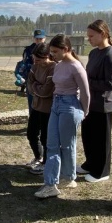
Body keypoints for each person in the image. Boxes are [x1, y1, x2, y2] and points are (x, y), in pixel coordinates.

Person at [35, 35, 90, 199]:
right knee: (52, 145)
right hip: (56, 104)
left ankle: (67, 178)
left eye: (55, 51)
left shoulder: (76, 67)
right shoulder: (58, 65)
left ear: (66, 49)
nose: (52, 55)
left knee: (67, 145)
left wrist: (83, 112)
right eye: (51, 51)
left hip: (70, 106)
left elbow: (86, 93)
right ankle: (51, 183)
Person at [78, 20, 112, 183]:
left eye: (91, 36)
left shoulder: (111, 54)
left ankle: (102, 172)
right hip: (90, 103)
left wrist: (87, 82)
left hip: (103, 105)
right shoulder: (94, 53)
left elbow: (110, 83)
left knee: (101, 140)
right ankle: (90, 164)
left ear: (103, 34)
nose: (88, 39)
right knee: (88, 136)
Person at [25, 43, 56, 174]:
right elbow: (29, 84)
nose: (36, 62)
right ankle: (38, 157)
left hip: (48, 109)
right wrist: (37, 87)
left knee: (45, 137)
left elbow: (46, 91)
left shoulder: (53, 68)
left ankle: (46, 163)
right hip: (36, 106)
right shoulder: (34, 66)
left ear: (47, 56)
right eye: (34, 59)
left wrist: (35, 86)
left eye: (39, 60)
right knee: (31, 134)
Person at [15, 29, 46, 101]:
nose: (38, 40)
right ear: (34, 38)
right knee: (32, 100)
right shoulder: (28, 50)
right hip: (31, 75)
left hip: (44, 75)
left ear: (45, 38)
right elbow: (25, 62)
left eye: (40, 39)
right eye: (37, 39)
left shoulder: (49, 49)